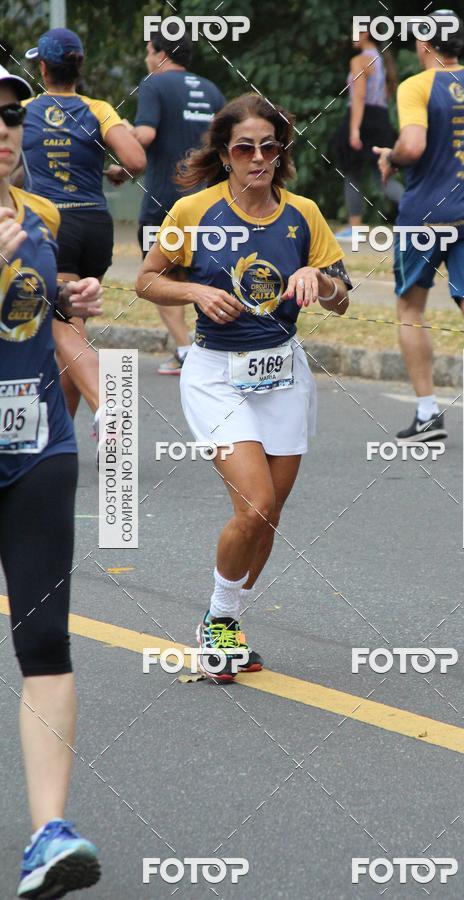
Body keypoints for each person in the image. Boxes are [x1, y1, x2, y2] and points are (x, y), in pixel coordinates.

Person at [136, 94, 351, 679]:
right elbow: (148, 280)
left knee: (269, 513)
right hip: (215, 374)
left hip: (282, 372)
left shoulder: (303, 214)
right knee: (253, 502)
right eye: (244, 148)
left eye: (269, 146)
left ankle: (230, 620)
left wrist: (317, 279)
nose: (258, 157)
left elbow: (341, 296)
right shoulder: (193, 211)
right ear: (225, 154)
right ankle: (219, 617)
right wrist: (196, 292)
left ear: (281, 152)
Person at [0, 64, 102, 896]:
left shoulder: (40, 217)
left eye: (10, 115)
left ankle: (49, 835)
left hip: (37, 450)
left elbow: (43, 317)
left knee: (44, 644)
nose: (3, 129)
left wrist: (71, 298)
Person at [374, 10, 464, 451]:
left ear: (424, 45)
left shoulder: (417, 86)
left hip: (424, 217)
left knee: (411, 309)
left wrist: (392, 158)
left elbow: (413, 145)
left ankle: (427, 414)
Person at [21, 28, 145, 432]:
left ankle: (107, 405)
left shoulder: (22, 111)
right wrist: (118, 173)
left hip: (53, 224)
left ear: (42, 66)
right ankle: (61, 432)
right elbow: (135, 158)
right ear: (79, 66)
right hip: (95, 223)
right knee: (72, 328)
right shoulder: (98, 108)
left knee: (62, 328)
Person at [128, 30, 225, 375]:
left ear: (160, 54)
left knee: (158, 275)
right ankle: (204, 347)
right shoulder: (212, 89)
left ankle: (186, 349)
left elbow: (146, 134)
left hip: (163, 201)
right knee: (199, 276)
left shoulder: (153, 84)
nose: (146, 59)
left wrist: (122, 133)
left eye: (148, 52)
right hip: (209, 204)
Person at [332, 29, 404, 240]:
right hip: (380, 119)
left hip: (362, 118)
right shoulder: (382, 61)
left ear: (365, 33)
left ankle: (356, 229)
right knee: (383, 175)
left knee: (352, 172)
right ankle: (423, 216)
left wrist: (354, 129)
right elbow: (385, 95)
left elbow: (359, 97)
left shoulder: (360, 60)